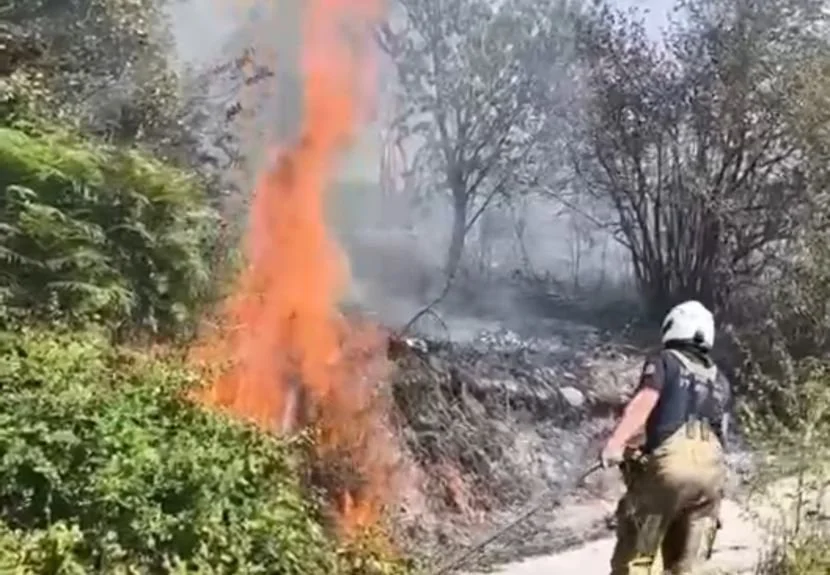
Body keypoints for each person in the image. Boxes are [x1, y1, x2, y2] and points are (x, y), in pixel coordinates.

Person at [600, 300, 732, 575]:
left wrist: (616, 443)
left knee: (638, 555)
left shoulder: (665, 361)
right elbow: (722, 434)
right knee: (686, 565)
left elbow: (645, 401)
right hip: (709, 482)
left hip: (669, 482)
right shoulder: (720, 379)